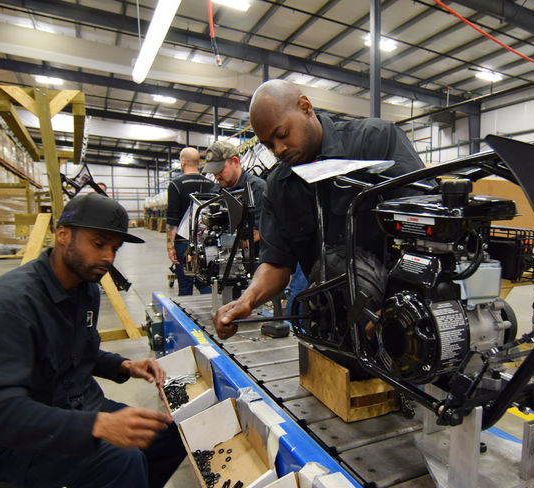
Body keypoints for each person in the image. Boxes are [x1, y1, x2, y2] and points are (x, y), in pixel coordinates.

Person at [0, 194, 186, 488]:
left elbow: (76, 351)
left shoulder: (85, 288)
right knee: (120, 460)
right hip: (4, 437)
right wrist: (96, 426)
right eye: (99, 244)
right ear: (63, 234)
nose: (107, 257)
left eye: (114, 248)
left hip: (68, 406)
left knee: (169, 435)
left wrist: (124, 366)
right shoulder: (7, 308)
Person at [213, 79, 425, 340]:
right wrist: (247, 300)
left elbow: (423, 228)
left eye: (282, 134)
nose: (279, 149)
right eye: (269, 145)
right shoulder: (278, 188)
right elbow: (277, 263)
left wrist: (397, 304)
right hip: (330, 329)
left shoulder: (375, 141)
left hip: (396, 326)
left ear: (305, 107)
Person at [167, 147, 214, 296]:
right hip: (206, 242)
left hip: (183, 243)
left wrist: (170, 246)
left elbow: (172, 219)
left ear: (183, 162)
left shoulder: (175, 185)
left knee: (185, 287)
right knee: (206, 284)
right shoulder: (211, 184)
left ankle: (186, 318)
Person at [203, 140, 266, 243]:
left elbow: (257, 233)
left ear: (235, 162)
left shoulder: (257, 189)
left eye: (220, 170)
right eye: (214, 171)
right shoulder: (215, 192)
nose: (216, 176)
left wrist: (225, 245)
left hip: (251, 256)